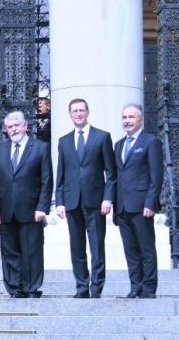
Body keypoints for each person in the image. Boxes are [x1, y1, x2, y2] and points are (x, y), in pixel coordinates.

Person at [54, 98, 116, 298]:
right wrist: (60, 201)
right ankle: (81, 287)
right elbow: (61, 174)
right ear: (70, 114)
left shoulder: (102, 137)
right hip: (72, 202)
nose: (78, 114)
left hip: (96, 202)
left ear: (88, 112)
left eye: (81, 110)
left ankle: (96, 288)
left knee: (97, 247)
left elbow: (111, 172)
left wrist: (108, 199)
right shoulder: (63, 141)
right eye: (74, 111)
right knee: (77, 247)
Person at [0, 111, 52, 298]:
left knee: (32, 251)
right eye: (9, 127)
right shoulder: (0, 149)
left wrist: (42, 207)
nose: (13, 129)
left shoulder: (41, 147)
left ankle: (32, 287)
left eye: (17, 125)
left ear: (25, 126)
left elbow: (46, 180)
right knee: (9, 251)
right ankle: (15, 287)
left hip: (32, 209)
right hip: (7, 210)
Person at [114, 103, 162, 299]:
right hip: (123, 207)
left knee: (146, 249)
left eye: (131, 117)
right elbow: (118, 176)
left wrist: (150, 203)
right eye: (124, 117)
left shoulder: (151, 142)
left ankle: (149, 289)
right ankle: (135, 287)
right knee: (131, 251)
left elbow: (156, 176)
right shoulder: (118, 145)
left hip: (142, 207)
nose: (127, 121)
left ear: (140, 120)